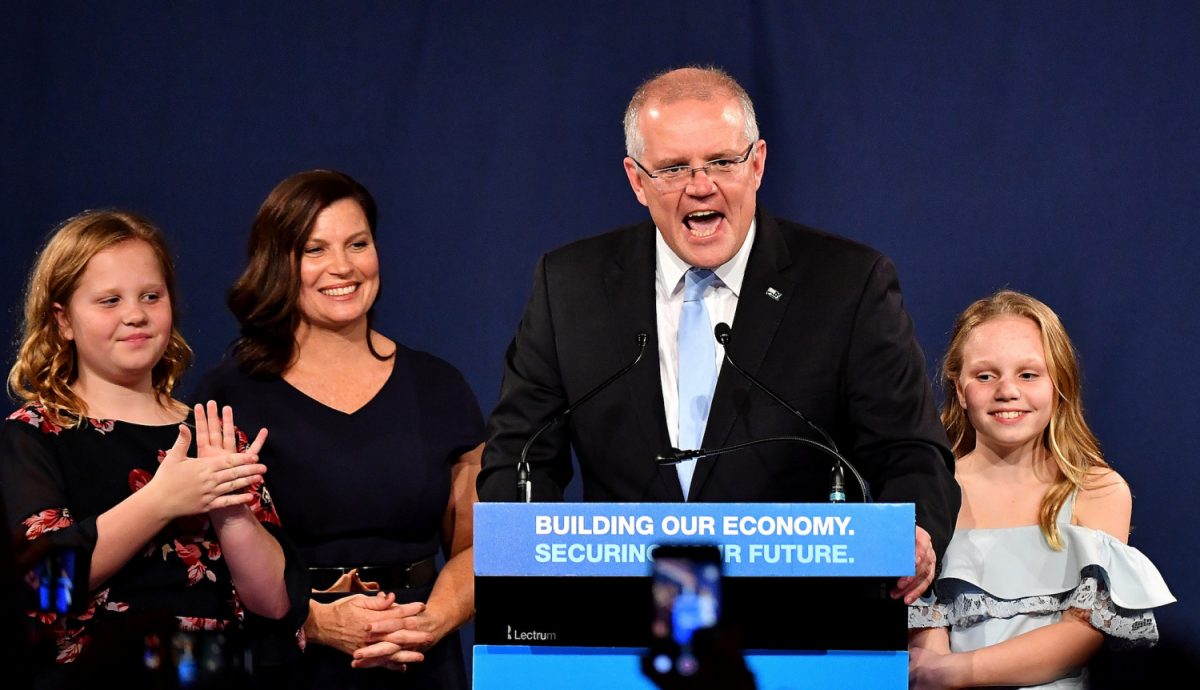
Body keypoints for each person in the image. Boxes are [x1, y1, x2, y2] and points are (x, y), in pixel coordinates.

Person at [477, 66, 960, 602]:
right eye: (673, 168)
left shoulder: (846, 283)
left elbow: (910, 450)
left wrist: (915, 531)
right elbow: (519, 457)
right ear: (637, 180)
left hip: (799, 618)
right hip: (619, 622)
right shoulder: (569, 285)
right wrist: (521, 576)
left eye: (722, 162)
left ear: (757, 164)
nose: (700, 186)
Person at [193, 170, 484, 688]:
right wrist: (318, 624)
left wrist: (428, 623)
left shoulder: (440, 386)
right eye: (315, 250)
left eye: (358, 243)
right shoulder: (226, 399)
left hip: (419, 659)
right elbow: (200, 567)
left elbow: (480, 547)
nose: (343, 267)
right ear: (277, 263)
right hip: (287, 663)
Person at [0, 210, 305, 688]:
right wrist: (161, 501)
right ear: (63, 321)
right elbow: (44, 589)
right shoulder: (34, 434)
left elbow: (274, 604)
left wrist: (230, 513)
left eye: (150, 296)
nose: (135, 314)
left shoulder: (211, 432)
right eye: (108, 301)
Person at [908, 290, 1174, 689]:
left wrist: (956, 672)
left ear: (1059, 384)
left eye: (1028, 374)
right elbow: (924, 627)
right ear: (960, 389)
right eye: (985, 376)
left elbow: (1081, 634)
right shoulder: (930, 492)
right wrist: (937, 672)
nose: (1007, 390)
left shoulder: (1096, 491)